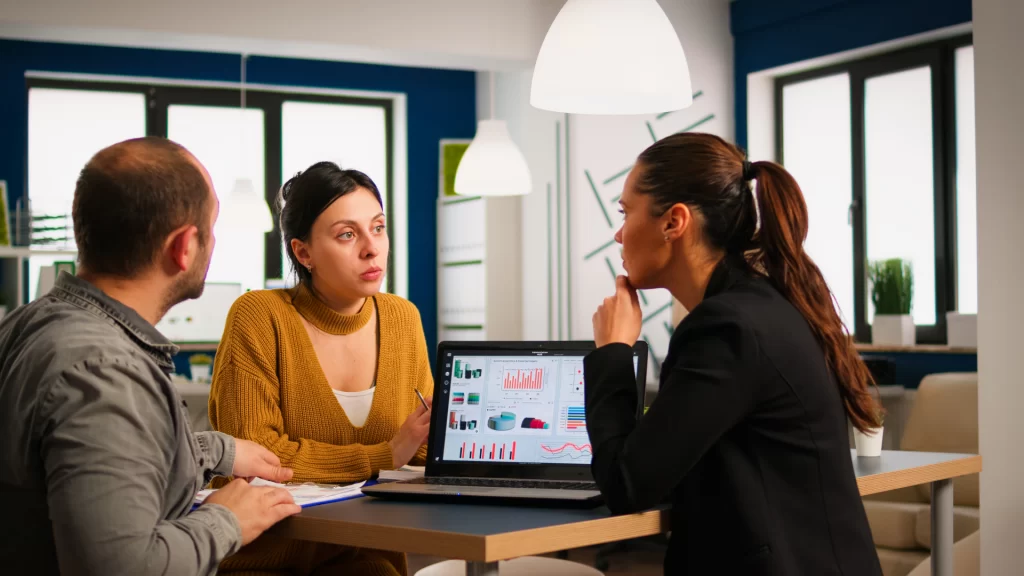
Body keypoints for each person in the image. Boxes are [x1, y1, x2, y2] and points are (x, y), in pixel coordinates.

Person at [0, 137, 302, 576]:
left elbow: (77, 462)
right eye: (212, 228)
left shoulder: (26, 324)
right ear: (183, 247)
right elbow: (121, 567)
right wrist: (227, 520)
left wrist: (213, 450)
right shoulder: (106, 373)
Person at [584, 132, 884, 575]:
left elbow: (627, 485)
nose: (618, 233)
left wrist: (612, 352)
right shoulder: (762, 306)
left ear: (674, 222)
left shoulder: (724, 329)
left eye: (626, 213)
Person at [208, 162, 432, 575]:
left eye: (378, 228)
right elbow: (257, 456)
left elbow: (416, 451)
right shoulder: (260, 316)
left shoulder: (404, 318)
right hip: (268, 561)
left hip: (368, 557)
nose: (372, 248)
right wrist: (384, 455)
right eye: (347, 234)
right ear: (303, 252)